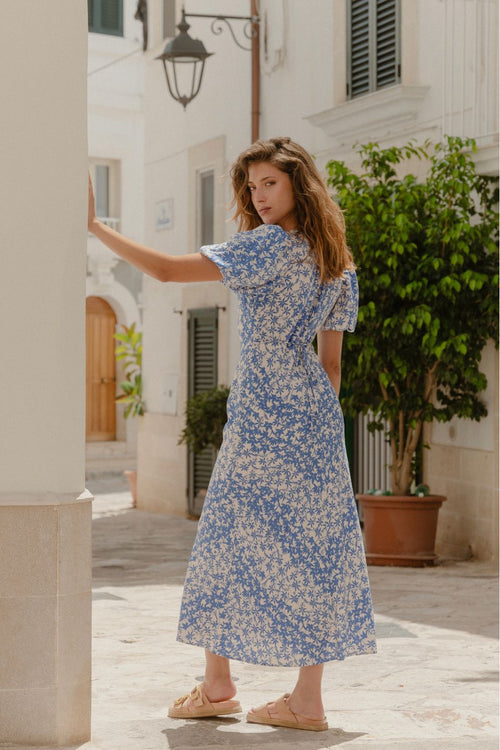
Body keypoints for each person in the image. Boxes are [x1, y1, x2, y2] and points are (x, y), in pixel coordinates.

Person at [88, 136, 377, 733]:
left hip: (264, 419)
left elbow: (168, 271)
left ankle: (218, 685)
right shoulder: (336, 261)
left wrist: (95, 227)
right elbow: (332, 366)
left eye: (269, 182)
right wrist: (315, 423)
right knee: (317, 550)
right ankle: (307, 700)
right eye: (251, 186)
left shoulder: (267, 247)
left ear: (299, 182)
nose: (258, 195)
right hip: (316, 422)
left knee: (223, 543)